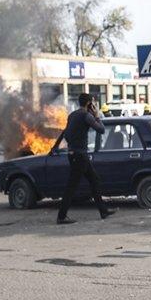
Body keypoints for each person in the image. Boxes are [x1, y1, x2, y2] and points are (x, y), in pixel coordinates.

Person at [54, 93, 116, 225]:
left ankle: (103, 211)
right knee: (72, 186)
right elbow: (101, 130)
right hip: (80, 155)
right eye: (92, 102)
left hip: (76, 155)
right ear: (89, 103)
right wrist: (97, 116)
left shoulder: (72, 115)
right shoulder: (86, 116)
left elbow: (66, 134)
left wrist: (71, 146)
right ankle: (61, 216)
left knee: (94, 180)